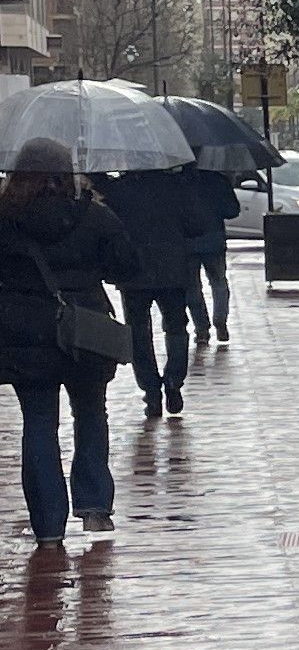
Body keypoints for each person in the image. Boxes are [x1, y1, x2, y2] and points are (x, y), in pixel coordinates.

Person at [0, 141, 137, 545]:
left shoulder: (6, 219)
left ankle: (48, 525)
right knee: (92, 412)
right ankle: (94, 506)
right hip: (88, 330)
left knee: (39, 423)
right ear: (68, 175)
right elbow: (125, 268)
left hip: (26, 333)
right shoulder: (95, 216)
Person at [101, 166, 217, 420]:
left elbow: (107, 224)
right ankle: (174, 380)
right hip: (172, 270)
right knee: (176, 328)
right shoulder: (176, 187)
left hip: (133, 271)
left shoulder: (121, 188)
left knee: (138, 333)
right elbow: (198, 224)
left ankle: (151, 390)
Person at [181, 166, 237, 345]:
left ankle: (201, 328)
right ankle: (220, 321)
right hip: (214, 240)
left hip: (187, 242)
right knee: (218, 282)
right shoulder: (218, 180)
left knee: (191, 287)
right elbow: (232, 211)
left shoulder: (180, 181)